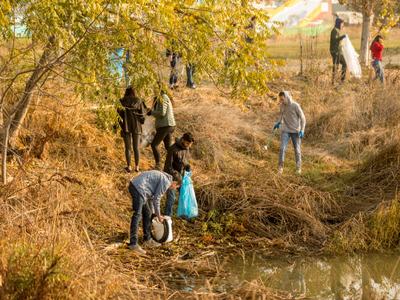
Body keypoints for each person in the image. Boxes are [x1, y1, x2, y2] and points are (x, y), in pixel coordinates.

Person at [128, 170, 182, 255]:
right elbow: (157, 199)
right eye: (177, 187)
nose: (175, 189)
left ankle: (147, 239)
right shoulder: (166, 182)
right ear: (174, 182)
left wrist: (154, 213)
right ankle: (133, 244)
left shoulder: (165, 177)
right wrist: (159, 215)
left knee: (148, 213)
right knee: (137, 215)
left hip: (138, 187)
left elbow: (153, 198)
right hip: (139, 189)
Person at [273, 91, 306, 175]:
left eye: (282, 99)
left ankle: (298, 168)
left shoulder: (295, 106)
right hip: (285, 130)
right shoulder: (282, 106)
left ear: (287, 97)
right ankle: (280, 168)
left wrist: (302, 130)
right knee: (282, 148)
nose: (281, 101)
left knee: (297, 150)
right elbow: (281, 116)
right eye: (280, 99)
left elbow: (303, 118)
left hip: (296, 131)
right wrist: (278, 122)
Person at [163, 132, 194, 216]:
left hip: (181, 177)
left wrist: (187, 166)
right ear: (183, 140)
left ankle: (185, 214)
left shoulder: (186, 148)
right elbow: (168, 167)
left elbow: (184, 161)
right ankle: (167, 217)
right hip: (171, 177)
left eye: (190, 144)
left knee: (185, 195)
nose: (189, 146)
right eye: (188, 143)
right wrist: (177, 177)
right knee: (171, 198)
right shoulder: (173, 149)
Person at [117, 87, 147, 173]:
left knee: (128, 148)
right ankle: (137, 167)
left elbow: (118, 116)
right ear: (134, 92)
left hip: (125, 126)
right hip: (136, 126)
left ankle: (129, 166)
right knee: (136, 147)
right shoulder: (139, 101)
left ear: (126, 92)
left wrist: (119, 126)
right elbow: (142, 115)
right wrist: (142, 121)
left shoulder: (121, 101)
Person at [148, 87, 176, 170]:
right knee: (168, 147)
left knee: (154, 145)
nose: (153, 90)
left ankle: (158, 165)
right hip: (168, 125)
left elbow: (162, 113)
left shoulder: (162, 97)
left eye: (155, 88)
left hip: (165, 125)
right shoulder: (162, 97)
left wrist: (151, 112)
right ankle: (175, 164)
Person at [330, 18, 347, 84]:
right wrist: (342, 37)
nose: (342, 25)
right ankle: (333, 81)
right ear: (338, 23)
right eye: (342, 24)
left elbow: (338, 41)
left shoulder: (338, 30)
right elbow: (335, 39)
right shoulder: (334, 30)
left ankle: (342, 80)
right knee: (336, 66)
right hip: (335, 51)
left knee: (344, 64)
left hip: (339, 51)